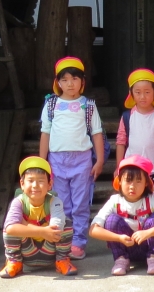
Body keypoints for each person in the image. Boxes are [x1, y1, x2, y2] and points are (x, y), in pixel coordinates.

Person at [39, 56, 105, 260]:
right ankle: (63, 240)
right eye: (65, 79)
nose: (70, 84)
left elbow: (97, 133)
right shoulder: (51, 104)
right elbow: (45, 133)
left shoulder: (88, 105)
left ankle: (78, 242)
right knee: (61, 203)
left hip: (82, 160)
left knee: (80, 204)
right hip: (56, 160)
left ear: (82, 82)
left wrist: (99, 160)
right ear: (58, 82)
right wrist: (42, 163)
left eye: (75, 79)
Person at [89, 155, 154, 276]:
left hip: (149, 246)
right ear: (120, 181)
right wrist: (118, 238)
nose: (132, 186)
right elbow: (93, 230)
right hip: (126, 246)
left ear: (146, 183)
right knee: (111, 220)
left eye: (138, 181)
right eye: (128, 181)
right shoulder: (115, 201)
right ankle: (121, 260)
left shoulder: (152, 199)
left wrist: (148, 233)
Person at [0, 156, 76, 278]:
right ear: (22, 184)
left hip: (50, 250)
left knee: (66, 223)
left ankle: (62, 260)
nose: (35, 185)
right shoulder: (18, 202)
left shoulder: (55, 202)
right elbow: (10, 228)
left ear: (50, 184)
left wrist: (25, 224)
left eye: (41, 181)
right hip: (27, 251)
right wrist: (42, 231)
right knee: (10, 226)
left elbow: (56, 227)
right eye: (30, 181)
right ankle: (14, 261)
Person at [116, 68, 154, 197]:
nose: (142, 96)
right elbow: (121, 142)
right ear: (131, 93)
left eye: (147, 92)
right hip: (132, 169)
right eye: (138, 92)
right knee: (134, 200)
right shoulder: (127, 117)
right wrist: (118, 167)